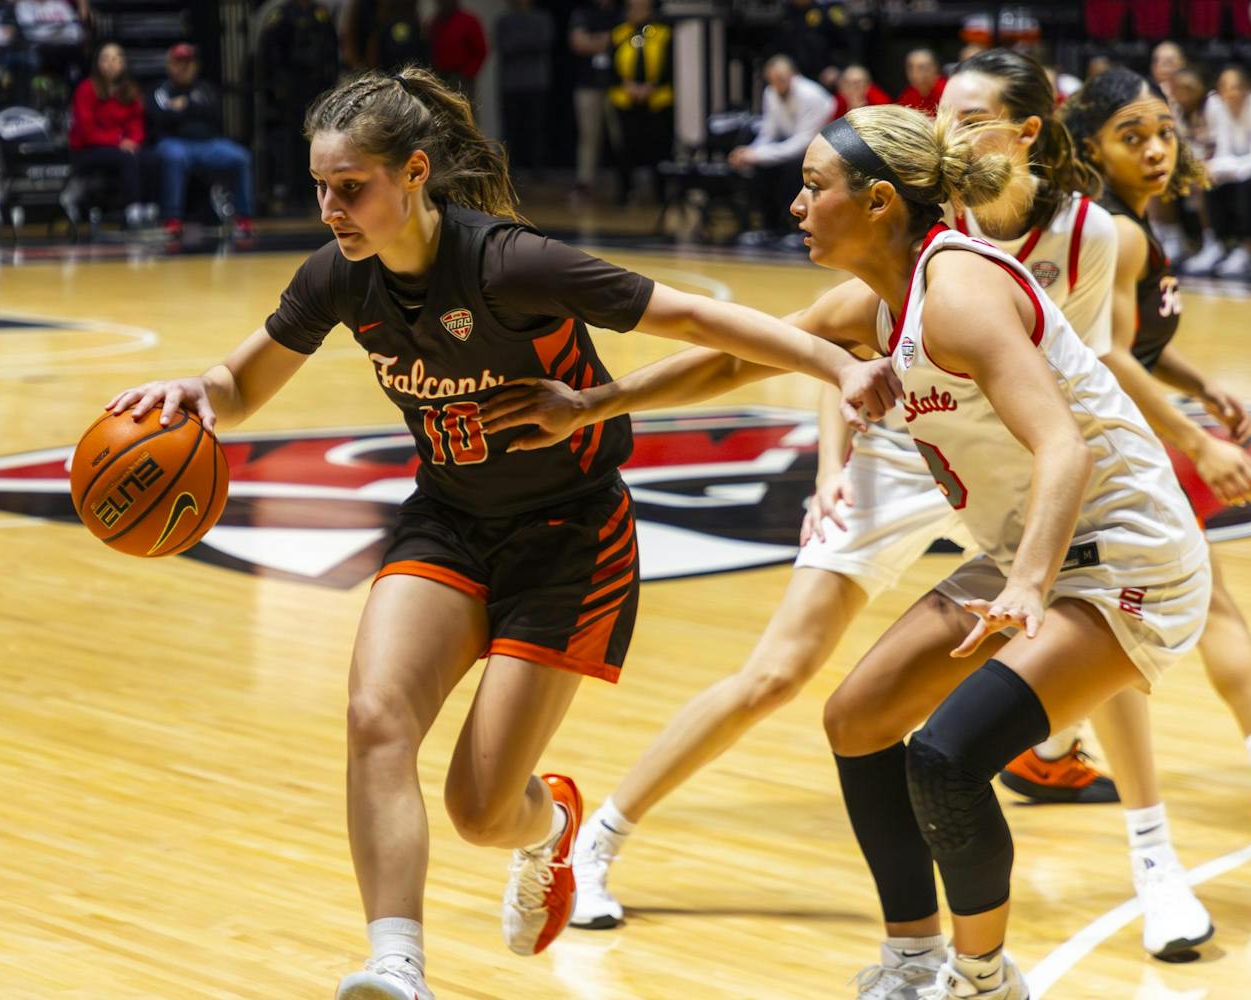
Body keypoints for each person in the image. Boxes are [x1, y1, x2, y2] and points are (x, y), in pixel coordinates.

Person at [102, 67, 899, 1000]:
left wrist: (835, 365)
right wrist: (199, 393)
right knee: (375, 720)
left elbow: (692, 315)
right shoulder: (338, 275)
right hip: (447, 519)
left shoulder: (508, 263)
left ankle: (550, 826)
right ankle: (396, 967)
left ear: (415, 172)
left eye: (350, 187)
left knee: (481, 811)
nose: (330, 210)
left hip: (570, 535)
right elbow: (241, 384)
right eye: (320, 187)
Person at [488, 45, 1212, 969]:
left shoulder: (959, 293)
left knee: (945, 760)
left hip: (1124, 555)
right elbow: (737, 357)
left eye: (813, 185)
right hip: (1023, 545)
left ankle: (985, 977)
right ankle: (911, 961)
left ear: (877, 203)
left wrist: (1029, 587)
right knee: (857, 717)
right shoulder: (879, 299)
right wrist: (591, 405)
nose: (795, 205)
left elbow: (1063, 447)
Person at [1063, 66, 1251, 843]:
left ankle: (1048, 751)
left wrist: (1200, 384)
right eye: (1132, 136)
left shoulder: (1116, 225)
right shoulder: (1118, 232)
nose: (1157, 149)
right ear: (1090, 147)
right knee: (1202, 605)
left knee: (1084, 620)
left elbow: (1129, 343)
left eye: (1165, 132)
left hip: (1078, 449)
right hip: (1098, 450)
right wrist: (1197, 440)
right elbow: (1106, 356)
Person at [1182, 66, 1251, 278]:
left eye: (1235, 87)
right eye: (1225, 87)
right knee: (1210, 182)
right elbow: (1226, 155)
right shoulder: (1221, 110)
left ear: (1248, 89)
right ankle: (1217, 245)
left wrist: (1222, 167)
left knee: (1247, 187)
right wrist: (1219, 167)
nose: (1230, 92)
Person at [147, 43, 255, 238]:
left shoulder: (206, 89)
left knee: (241, 156)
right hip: (174, 142)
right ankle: (172, 219)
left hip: (208, 143)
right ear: (169, 66)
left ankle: (243, 218)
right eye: (179, 62)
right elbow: (160, 117)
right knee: (175, 157)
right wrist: (191, 109)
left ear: (196, 66)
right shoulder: (161, 90)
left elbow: (215, 114)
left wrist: (184, 107)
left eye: (188, 62)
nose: (184, 67)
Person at [729, 54, 833, 243]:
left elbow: (803, 142)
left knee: (793, 169)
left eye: (781, 78)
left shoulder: (811, 95)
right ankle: (768, 227)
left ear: (794, 75)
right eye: (772, 79)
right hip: (790, 148)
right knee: (760, 168)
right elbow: (768, 133)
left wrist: (759, 155)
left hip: (821, 151)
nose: (776, 83)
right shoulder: (770, 93)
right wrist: (749, 152)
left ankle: (796, 229)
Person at [261, 0, 338, 209]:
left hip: (317, 87)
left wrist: (331, 82)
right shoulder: (282, 15)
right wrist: (278, 85)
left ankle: (314, 190)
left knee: (318, 137)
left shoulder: (320, 13)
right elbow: (271, 53)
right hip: (292, 88)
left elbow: (331, 49)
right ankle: (292, 193)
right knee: (292, 140)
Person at [68, 42, 146, 231]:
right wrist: (118, 141)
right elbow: (87, 131)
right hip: (87, 149)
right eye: (106, 59)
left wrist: (134, 141)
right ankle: (133, 211)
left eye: (116, 58)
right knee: (126, 158)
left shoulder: (130, 90)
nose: (111, 63)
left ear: (123, 63)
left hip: (119, 146)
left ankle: (152, 208)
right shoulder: (86, 89)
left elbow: (136, 122)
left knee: (149, 156)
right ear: (98, 64)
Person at [607, 0, 672, 205]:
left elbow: (671, 65)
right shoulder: (619, 33)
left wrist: (652, 86)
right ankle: (625, 192)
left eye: (643, 7)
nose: (638, 11)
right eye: (634, 7)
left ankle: (660, 193)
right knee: (624, 147)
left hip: (657, 99)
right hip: (625, 99)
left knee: (659, 147)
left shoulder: (663, 33)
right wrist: (627, 85)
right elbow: (609, 66)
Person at [495, 0, 554, 176]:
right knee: (510, 129)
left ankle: (537, 167)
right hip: (510, 84)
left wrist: (518, 43)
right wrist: (526, 42)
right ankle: (510, 168)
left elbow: (542, 41)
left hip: (535, 82)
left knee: (536, 127)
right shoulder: (504, 21)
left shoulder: (542, 19)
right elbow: (503, 45)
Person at [568, 0, 619, 200]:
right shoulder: (583, 13)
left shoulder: (620, 13)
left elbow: (624, 39)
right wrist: (606, 39)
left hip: (616, 85)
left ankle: (624, 184)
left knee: (619, 136)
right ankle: (585, 182)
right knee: (588, 136)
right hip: (587, 84)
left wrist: (593, 40)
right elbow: (578, 43)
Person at [425, 0, 486, 100]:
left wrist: (467, 73)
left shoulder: (469, 21)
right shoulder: (434, 23)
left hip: (462, 79)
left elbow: (480, 51)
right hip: (440, 79)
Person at [898, 47, 945, 115]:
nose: (915, 74)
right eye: (911, 68)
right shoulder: (908, 94)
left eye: (922, 67)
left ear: (935, 68)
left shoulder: (947, 91)